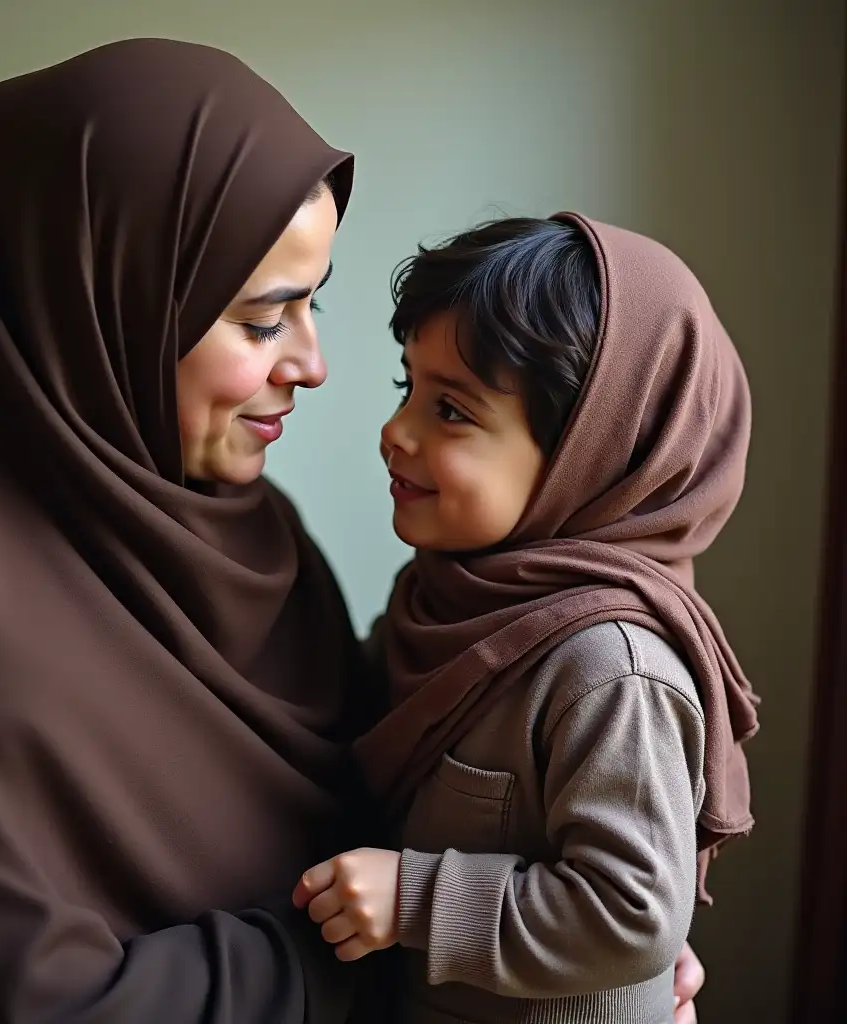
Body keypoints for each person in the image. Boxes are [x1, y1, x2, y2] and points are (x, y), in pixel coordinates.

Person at [0, 40, 707, 1023]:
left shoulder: (264, 550)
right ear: (97, 309)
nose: (313, 364)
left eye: (312, 304)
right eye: (262, 319)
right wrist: (381, 952)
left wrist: (590, 955)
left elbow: (433, 807)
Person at [294, 217, 757, 1023]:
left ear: (591, 454)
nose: (394, 433)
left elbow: (632, 914)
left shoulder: (611, 668)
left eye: (452, 412)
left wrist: (416, 898)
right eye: (410, 389)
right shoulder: (445, 602)